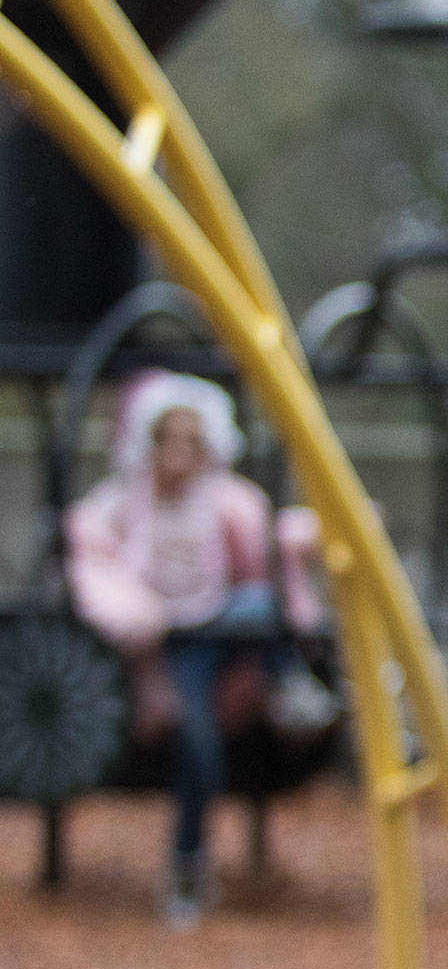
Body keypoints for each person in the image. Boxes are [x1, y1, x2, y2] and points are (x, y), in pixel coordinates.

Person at [67, 371, 323, 927]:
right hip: (171, 648)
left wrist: (323, 532)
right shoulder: (127, 505)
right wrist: (134, 612)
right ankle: (187, 867)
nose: (180, 454)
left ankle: (292, 686)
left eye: (191, 442)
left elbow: (272, 542)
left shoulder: (223, 502)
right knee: (200, 752)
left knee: (260, 603)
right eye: (169, 442)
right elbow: (89, 553)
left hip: (217, 628)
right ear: (148, 446)